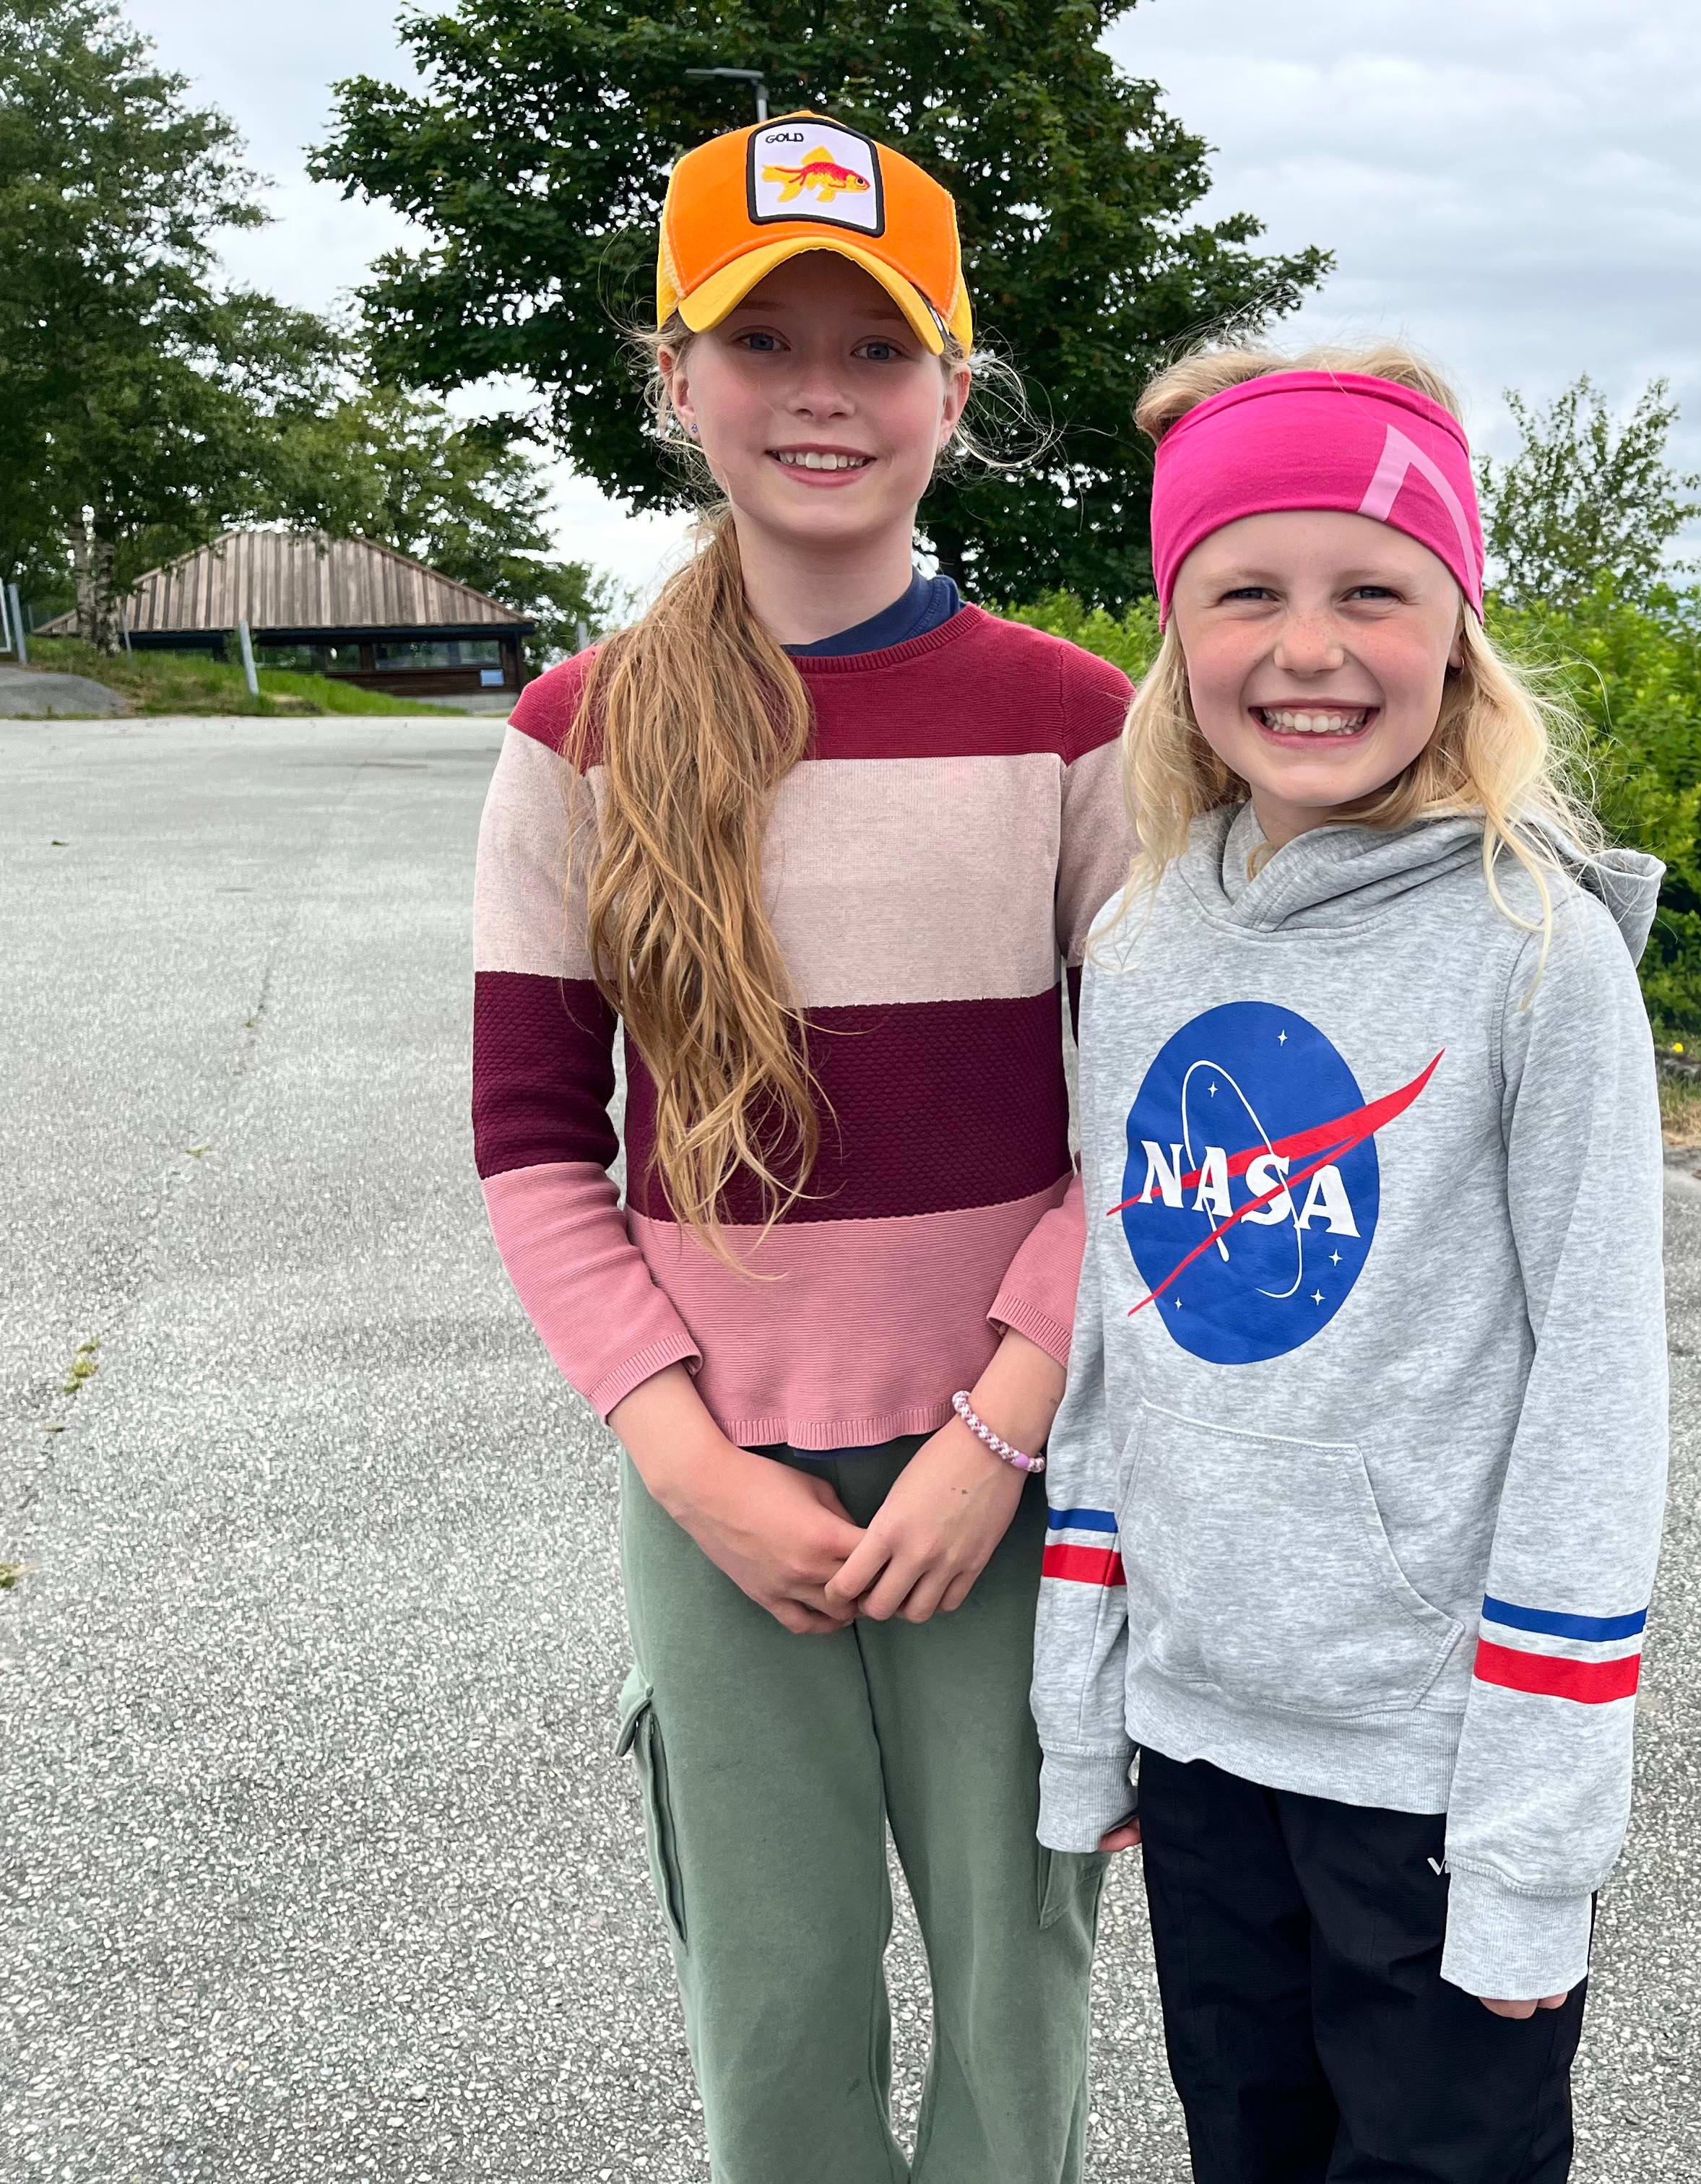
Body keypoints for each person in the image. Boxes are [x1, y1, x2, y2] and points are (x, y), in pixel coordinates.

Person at [469, 113, 1131, 2184]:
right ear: (676, 377)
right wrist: (687, 1464)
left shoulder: (1076, 721)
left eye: (877, 346)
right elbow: (532, 1145)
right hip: (720, 1486)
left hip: (1006, 1473)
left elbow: (1151, 1131)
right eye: (764, 343)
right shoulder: (577, 733)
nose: (821, 393)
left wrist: (1001, 1429)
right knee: (770, 1996)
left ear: (956, 386)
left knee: (1018, 1985)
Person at [1029, 345, 1672, 2184]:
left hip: (1431, 1772)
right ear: (1177, 631)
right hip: (1201, 1745)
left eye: (1372, 593)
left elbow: (1598, 1405)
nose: (1308, 649)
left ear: (1457, 632)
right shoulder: (1141, 936)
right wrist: (1092, 1704)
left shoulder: (1536, 953)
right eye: (1247, 591)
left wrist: (1535, 1847)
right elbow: (1123, 1342)